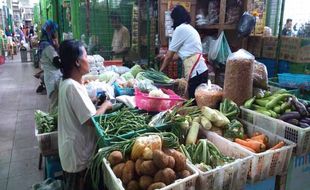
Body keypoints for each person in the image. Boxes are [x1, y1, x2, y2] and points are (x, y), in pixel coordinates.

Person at [56, 39, 112, 190]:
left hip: (73, 148)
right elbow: (91, 120)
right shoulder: (72, 87)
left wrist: (93, 100)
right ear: (77, 62)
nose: (89, 59)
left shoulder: (67, 82)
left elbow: (78, 108)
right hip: (77, 154)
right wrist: (106, 105)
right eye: (86, 56)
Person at [160, 5, 208, 100]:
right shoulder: (188, 28)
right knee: (196, 103)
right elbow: (177, 56)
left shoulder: (180, 29)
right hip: (201, 70)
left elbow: (170, 55)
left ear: (175, 18)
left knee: (192, 103)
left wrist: (161, 71)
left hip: (196, 72)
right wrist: (164, 56)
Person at [38, 20, 62, 112]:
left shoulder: (43, 44)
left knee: (53, 103)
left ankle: (53, 122)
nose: (55, 34)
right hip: (53, 79)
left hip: (50, 77)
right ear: (50, 32)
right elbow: (57, 63)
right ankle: (53, 123)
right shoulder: (48, 46)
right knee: (54, 104)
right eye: (54, 31)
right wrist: (57, 46)